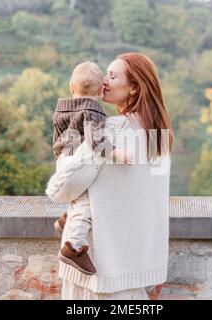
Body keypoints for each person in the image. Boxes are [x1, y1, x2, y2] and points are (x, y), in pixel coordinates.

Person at [46, 52, 174, 300]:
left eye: (113, 76)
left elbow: (60, 190)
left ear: (134, 88)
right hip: (133, 277)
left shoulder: (110, 132)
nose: (104, 80)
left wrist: (67, 150)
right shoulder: (160, 137)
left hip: (95, 278)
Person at [51, 61, 133, 276]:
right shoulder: (92, 111)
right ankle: (73, 247)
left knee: (77, 197)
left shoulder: (61, 111)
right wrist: (117, 155)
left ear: (71, 87)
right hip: (81, 161)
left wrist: (62, 161)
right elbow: (96, 141)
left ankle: (66, 219)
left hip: (63, 160)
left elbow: (56, 140)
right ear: (99, 91)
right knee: (87, 203)